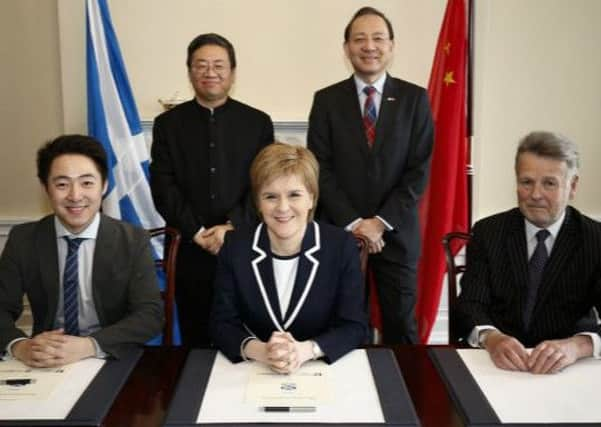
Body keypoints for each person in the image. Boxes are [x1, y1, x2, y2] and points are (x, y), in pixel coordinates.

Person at [307, 7, 434, 344]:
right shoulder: (326, 101)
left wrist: (379, 222)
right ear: (346, 48)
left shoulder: (414, 99)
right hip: (341, 235)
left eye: (378, 38)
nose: (369, 46)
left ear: (391, 46)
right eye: (359, 39)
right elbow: (320, 169)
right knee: (343, 326)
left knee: (401, 330)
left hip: (397, 234)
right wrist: (355, 223)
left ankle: (403, 394)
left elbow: (418, 170)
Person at [150, 33, 274, 346]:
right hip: (191, 248)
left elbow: (265, 185)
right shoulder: (168, 124)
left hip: (245, 245)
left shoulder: (258, 123)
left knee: (248, 334)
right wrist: (198, 231)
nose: (210, 72)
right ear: (190, 71)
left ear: (232, 71)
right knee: (196, 338)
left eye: (219, 65)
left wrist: (232, 226)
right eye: (201, 65)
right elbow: (164, 187)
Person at [0, 135, 163, 367]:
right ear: (46, 188)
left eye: (87, 183)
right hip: (46, 358)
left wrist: (89, 345)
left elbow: (150, 315)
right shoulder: (23, 239)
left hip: (108, 356)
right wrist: (20, 345)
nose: (75, 196)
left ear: (104, 185)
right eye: (62, 184)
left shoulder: (132, 240)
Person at [210, 143, 368, 372]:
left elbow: (355, 325)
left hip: (320, 367)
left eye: (294, 195)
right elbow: (221, 323)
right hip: (254, 368)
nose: (283, 208)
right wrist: (262, 351)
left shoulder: (340, 246)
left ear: (311, 198)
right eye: (271, 196)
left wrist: (306, 350)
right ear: (258, 203)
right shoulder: (236, 246)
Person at [456, 131, 601, 374]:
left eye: (549, 183)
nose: (535, 194)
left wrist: (577, 347)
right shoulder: (488, 232)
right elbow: (470, 304)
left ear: (572, 186)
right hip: (498, 367)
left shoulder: (595, 239)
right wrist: (491, 338)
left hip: (568, 370)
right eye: (526, 182)